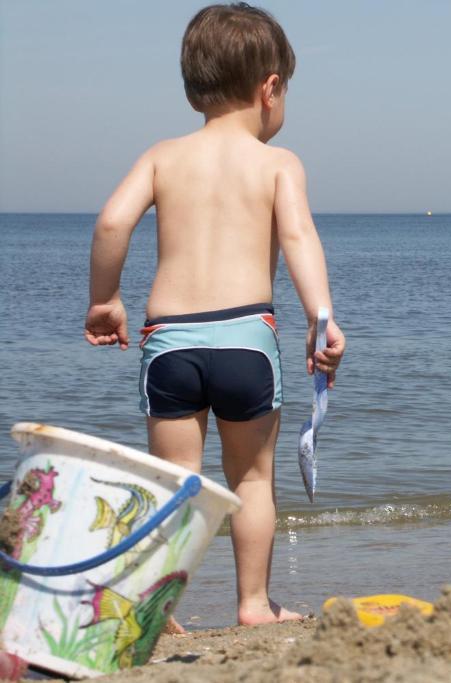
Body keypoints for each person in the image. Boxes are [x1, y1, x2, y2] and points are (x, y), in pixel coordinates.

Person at [84, 3, 345, 627]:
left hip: (168, 342)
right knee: (252, 480)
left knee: (176, 481)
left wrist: (106, 299)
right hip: (245, 341)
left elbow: (112, 221)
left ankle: (154, 603)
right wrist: (321, 318)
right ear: (271, 88)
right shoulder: (279, 164)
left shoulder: (163, 156)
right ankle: (253, 604)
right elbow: (300, 239)